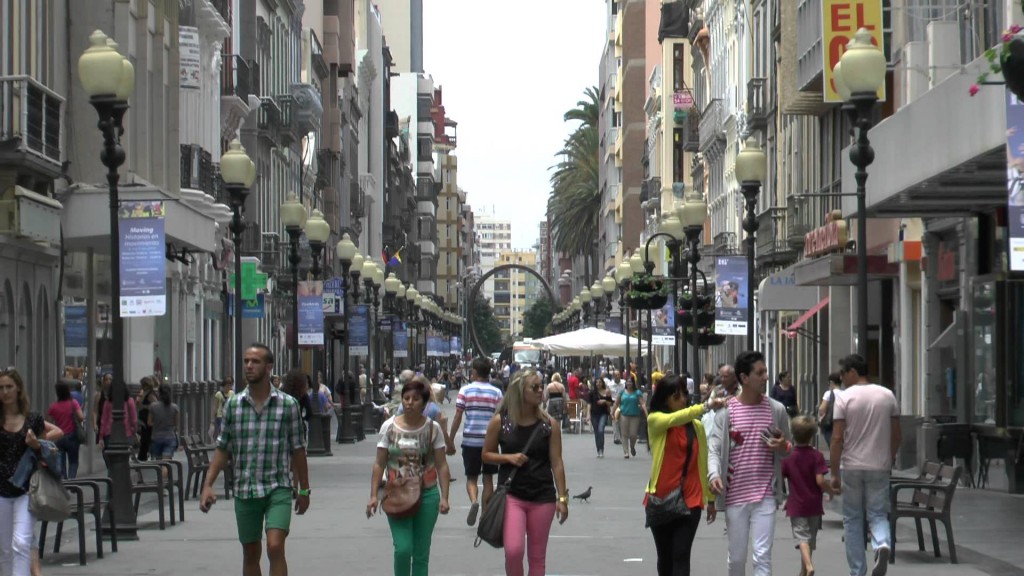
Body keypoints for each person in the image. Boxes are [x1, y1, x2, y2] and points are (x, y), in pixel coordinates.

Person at [200, 344, 310, 576]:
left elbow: (298, 450)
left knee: (275, 546)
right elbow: (222, 448)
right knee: (251, 552)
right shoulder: (233, 405)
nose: (249, 366)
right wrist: (208, 485)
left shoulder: (288, 405)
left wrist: (304, 491)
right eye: (246, 361)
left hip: (277, 487)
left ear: (269, 367)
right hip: (245, 488)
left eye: (255, 361)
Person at [708, 350, 793, 576]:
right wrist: (714, 475)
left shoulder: (776, 410)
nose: (766, 377)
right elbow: (714, 449)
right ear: (744, 378)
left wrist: (782, 446)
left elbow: (789, 448)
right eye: (760, 372)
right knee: (737, 559)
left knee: (762, 556)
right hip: (735, 495)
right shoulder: (726, 414)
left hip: (765, 494)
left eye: (765, 372)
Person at [482, 368, 568, 576]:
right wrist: (508, 458)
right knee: (513, 551)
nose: (541, 391)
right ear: (520, 391)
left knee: (537, 558)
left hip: (543, 495)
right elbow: (486, 454)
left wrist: (563, 498)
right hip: (512, 495)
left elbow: (557, 462)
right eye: (535, 387)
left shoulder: (549, 425)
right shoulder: (501, 422)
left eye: (541, 386)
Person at [367, 376, 451, 576]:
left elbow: (442, 465)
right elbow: (379, 463)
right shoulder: (389, 426)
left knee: (421, 553)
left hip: (427, 494)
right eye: (406, 398)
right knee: (403, 549)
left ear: (424, 402)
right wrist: (373, 495)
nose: (409, 403)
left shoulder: (433, 428)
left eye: (415, 399)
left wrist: (445, 497)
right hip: (396, 493)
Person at [645, 374, 723, 576]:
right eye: (676, 396)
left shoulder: (696, 427)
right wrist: (705, 406)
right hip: (660, 497)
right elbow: (674, 418)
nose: (683, 400)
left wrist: (711, 499)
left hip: (690, 498)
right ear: (665, 399)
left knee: (681, 554)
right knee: (665, 556)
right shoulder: (656, 421)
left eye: (684, 395)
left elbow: (703, 462)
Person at [830, 353, 900, 576]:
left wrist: (834, 472)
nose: (842, 379)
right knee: (878, 514)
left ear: (852, 372)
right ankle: (882, 543)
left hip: (851, 466)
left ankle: (857, 571)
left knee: (852, 518)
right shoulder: (887, 395)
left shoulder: (843, 398)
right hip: (879, 465)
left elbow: (837, 437)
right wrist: (890, 457)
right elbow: (897, 433)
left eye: (843, 374)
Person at [1, 369, 63, 576]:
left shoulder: (33, 420)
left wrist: (36, 445)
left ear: (18, 388)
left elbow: (45, 453)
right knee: (5, 549)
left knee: (21, 542)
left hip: (26, 490)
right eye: (1, 388)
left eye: (9, 386)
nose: (5, 392)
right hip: (1, 491)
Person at [450, 357, 502, 526]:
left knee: (471, 477)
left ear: (474, 372)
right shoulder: (496, 393)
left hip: (470, 440)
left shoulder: (465, 390)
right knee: (488, 479)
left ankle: (473, 501)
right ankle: (485, 515)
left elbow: (458, 415)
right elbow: (501, 418)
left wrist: (450, 439)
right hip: (490, 442)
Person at [782, 416, 834, 576]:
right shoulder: (817, 456)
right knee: (810, 539)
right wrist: (830, 491)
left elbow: (781, 478)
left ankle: (809, 566)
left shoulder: (788, 456)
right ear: (812, 435)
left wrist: (784, 498)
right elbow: (820, 480)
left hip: (797, 505)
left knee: (802, 538)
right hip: (814, 504)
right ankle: (803, 571)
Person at [47, 378, 85, 479]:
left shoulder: (53, 407)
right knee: (73, 461)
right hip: (72, 436)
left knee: (61, 461)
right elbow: (81, 417)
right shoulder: (74, 403)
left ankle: (65, 481)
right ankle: (72, 480)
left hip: (59, 437)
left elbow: (48, 422)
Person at [148, 384, 180, 476]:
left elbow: (149, 422)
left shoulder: (153, 406)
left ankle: (160, 483)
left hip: (156, 438)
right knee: (166, 464)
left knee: (159, 464)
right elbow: (175, 424)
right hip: (170, 438)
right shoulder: (174, 407)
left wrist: (157, 424)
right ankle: (163, 484)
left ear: (159, 393)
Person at [613, 378, 646, 458]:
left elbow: (643, 404)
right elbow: (616, 403)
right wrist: (612, 413)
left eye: (630, 382)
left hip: (635, 415)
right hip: (624, 415)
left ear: (633, 383)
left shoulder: (637, 393)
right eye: (627, 382)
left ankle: (632, 446)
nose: (629, 383)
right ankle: (626, 452)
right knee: (624, 434)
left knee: (633, 434)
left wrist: (646, 413)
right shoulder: (622, 392)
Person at [136, 376, 159, 461]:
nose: (141, 386)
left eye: (142, 385)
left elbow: (155, 405)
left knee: (146, 439)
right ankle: (143, 456)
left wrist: (144, 407)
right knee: (144, 438)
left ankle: (143, 457)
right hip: (144, 419)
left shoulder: (150, 394)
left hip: (148, 420)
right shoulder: (146, 393)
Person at [589, 379, 614, 458]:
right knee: (597, 433)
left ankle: (601, 449)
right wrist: (587, 415)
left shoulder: (607, 392)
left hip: (603, 414)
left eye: (600, 382)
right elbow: (589, 404)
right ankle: (599, 450)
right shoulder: (592, 393)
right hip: (594, 414)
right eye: (596, 382)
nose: (598, 383)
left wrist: (604, 401)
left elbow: (610, 403)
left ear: (602, 383)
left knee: (600, 430)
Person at [817, 372, 842, 447]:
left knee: (831, 443)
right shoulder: (845, 393)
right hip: (841, 421)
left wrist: (821, 417)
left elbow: (822, 409)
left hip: (830, 422)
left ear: (831, 382)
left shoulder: (828, 393)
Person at [211, 377, 234, 442]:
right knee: (221, 431)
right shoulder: (218, 394)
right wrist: (213, 419)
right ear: (223, 386)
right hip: (220, 416)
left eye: (230, 385)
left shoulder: (232, 393)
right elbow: (215, 406)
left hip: (229, 416)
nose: (228, 387)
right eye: (227, 385)